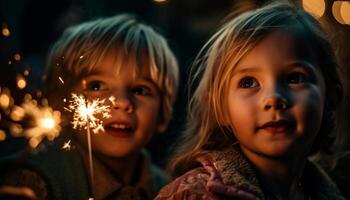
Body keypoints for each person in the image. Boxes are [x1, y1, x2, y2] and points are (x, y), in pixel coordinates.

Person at [156, 1, 345, 199]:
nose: (273, 98)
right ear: (221, 109)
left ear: (331, 96)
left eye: (294, 78)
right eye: (248, 83)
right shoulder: (196, 194)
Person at [0, 14, 179, 200]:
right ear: (62, 103)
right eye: (96, 86)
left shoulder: (174, 190)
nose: (122, 102)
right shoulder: (31, 181)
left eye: (140, 90)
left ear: (163, 114)